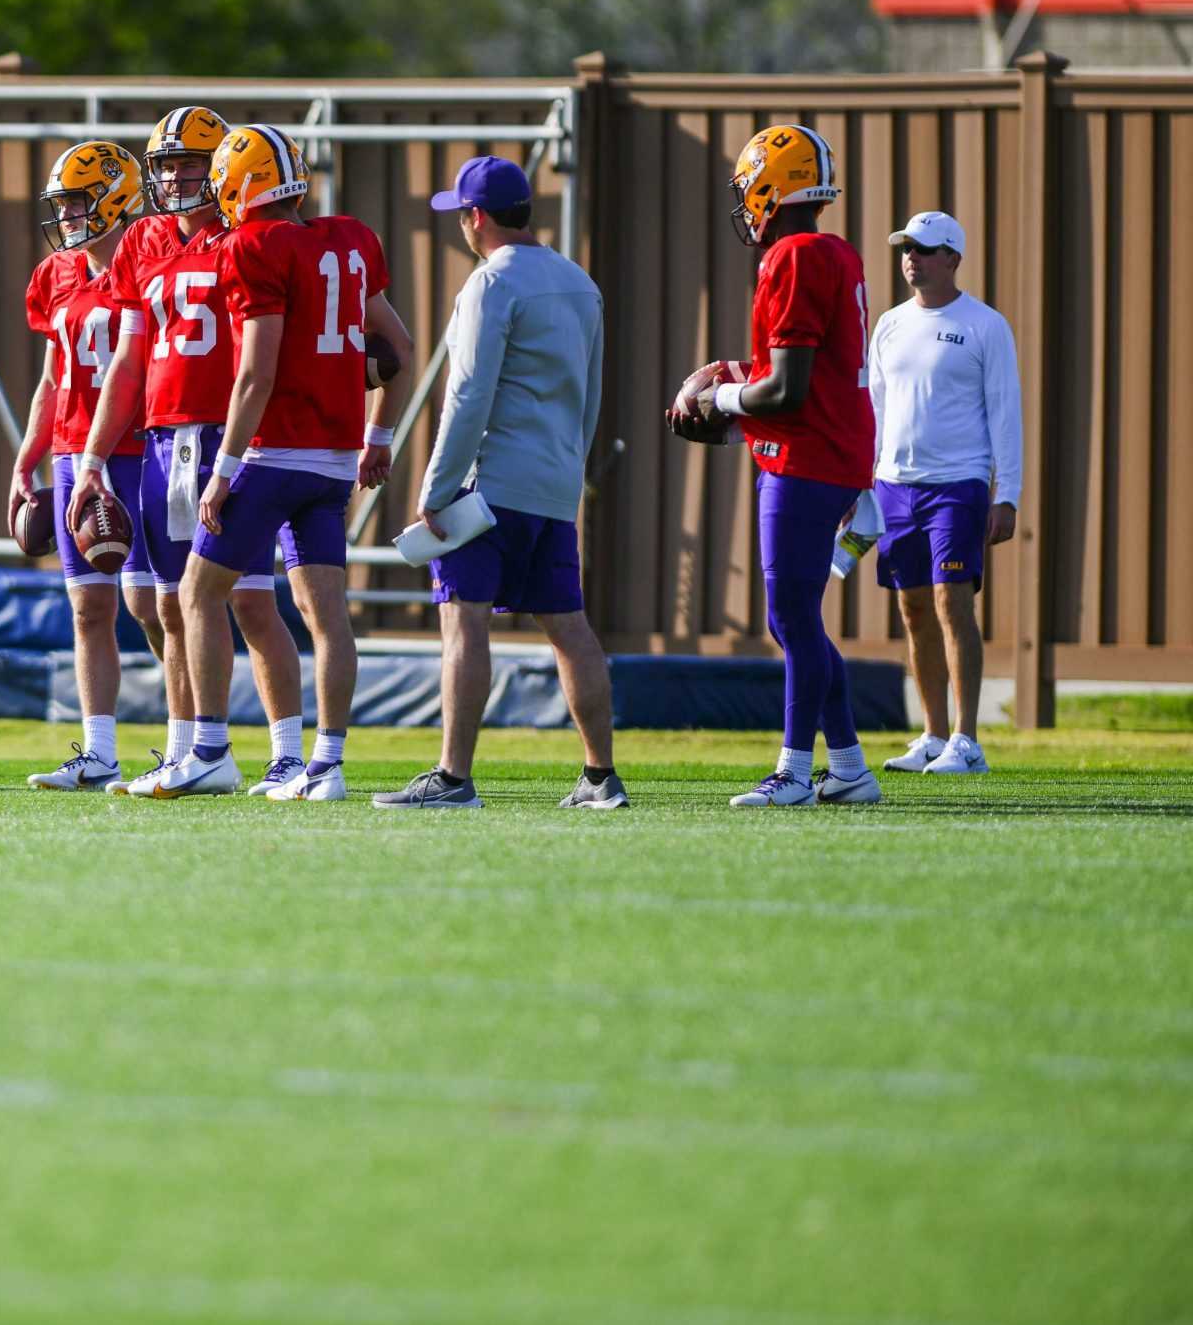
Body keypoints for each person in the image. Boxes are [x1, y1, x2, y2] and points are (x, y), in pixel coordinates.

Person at [151, 125, 412, 800]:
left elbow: (254, 376)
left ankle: (208, 746)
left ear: (243, 184)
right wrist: (379, 437)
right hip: (333, 461)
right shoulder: (350, 238)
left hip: (272, 457)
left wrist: (223, 470)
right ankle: (324, 766)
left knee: (197, 592)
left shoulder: (251, 245)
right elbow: (399, 349)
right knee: (326, 615)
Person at [67, 106, 311, 797]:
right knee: (170, 605)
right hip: (164, 437)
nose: (176, 175)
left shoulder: (251, 236)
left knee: (253, 604)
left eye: (191, 162)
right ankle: (187, 747)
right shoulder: (144, 240)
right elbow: (128, 360)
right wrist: (92, 453)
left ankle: (283, 752)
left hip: (228, 436)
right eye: (166, 163)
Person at [374, 156, 623, 812]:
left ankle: (453, 777)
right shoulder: (581, 285)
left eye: (462, 211)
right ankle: (601, 776)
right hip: (553, 486)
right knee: (570, 628)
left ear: (477, 217)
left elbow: (468, 394)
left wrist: (436, 488)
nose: (460, 221)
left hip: (488, 486)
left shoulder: (490, 284)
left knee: (464, 624)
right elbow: (590, 396)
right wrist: (570, 471)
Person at [670, 125, 880, 808]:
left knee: (791, 616)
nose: (745, 204)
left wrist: (721, 398)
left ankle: (792, 769)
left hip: (808, 459)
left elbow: (785, 389)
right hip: (827, 449)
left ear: (770, 184)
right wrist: (736, 423)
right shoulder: (832, 251)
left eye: (749, 189)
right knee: (801, 620)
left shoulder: (793, 255)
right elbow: (802, 385)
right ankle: (847, 766)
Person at [10, 142, 169, 790]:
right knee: (88, 608)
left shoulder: (153, 264)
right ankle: (99, 751)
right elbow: (54, 376)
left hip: (142, 449)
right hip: (78, 452)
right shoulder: (57, 274)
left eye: (79, 202)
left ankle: (190, 733)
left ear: (115, 199)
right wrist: (29, 454)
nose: (69, 217)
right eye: (64, 205)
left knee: (155, 605)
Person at [867, 210, 1021, 775]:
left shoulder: (985, 325)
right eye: (907, 249)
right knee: (912, 609)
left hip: (959, 484)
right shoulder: (888, 324)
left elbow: (1006, 414)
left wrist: (1008, 494)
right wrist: (863, 484)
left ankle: (967, 739)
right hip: (894, 485)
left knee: (951, 600)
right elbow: (875, 410)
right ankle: (931, 735)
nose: (912, 258)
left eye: (925, 250)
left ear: (953, 258)